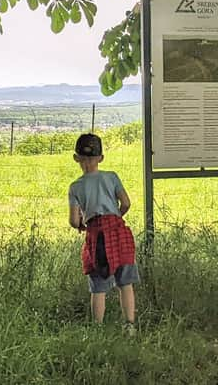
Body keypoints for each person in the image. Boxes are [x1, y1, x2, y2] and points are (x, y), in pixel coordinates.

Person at [68, 133, 139, 332]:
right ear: (101, 157)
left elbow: (74, 220)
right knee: (125, 282)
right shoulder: (112, 177)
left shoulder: (75, 187)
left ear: (76, 158)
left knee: (98, 287)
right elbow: (126, 203)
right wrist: (117, 216)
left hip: (96, 235)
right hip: (118, 232)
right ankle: (129, 326)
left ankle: (97, 330)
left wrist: (83, 225)